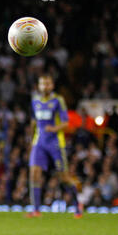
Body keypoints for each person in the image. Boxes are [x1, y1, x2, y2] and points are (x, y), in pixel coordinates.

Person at [27, 75, 83, 218]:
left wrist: (54, 128)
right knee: (34, 173)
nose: (45, 86)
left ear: (52, 86)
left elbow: (66, 122)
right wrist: (30, 137)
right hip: (38, 142)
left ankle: (77, 205)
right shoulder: (35, 100)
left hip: (55, 143)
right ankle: (36, 209)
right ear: (39, 86)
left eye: (48, 84)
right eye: (42, 84)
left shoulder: (58, 100)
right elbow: (34, 121)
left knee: (63, 177)